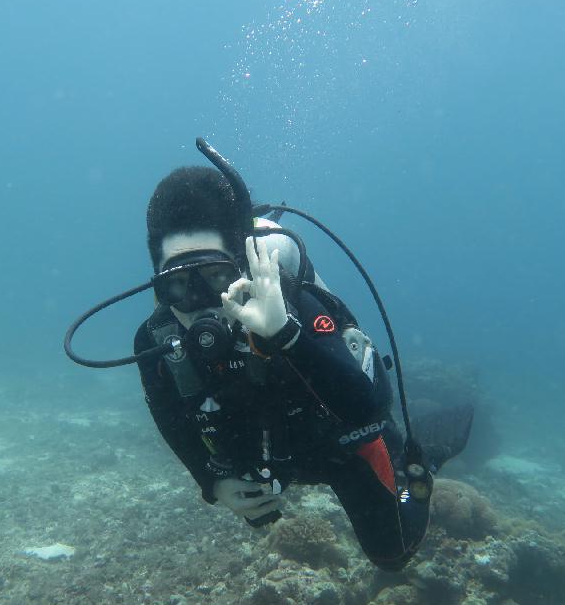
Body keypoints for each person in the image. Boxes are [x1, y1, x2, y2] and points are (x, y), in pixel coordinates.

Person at [133, 165, 434, 571]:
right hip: (263, 452)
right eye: (178, 284)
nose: (203, 301)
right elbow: (167, 414)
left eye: (216, 275)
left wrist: (285, 334)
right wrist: (211, 482)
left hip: (336, 447)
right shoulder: (156, 338)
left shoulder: (291, 303)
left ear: (240, 264)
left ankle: (431, 453)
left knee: (392, 553)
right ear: (158, 284)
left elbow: (369, 409)